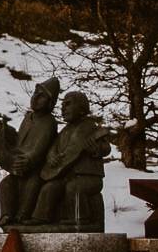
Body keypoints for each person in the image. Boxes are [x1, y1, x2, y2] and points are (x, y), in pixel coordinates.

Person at [28, 91, 112, 231]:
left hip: (89, 178)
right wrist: (52, 157)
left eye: (68, 104)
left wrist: (96, 149)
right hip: (65, 176)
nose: (63, 108)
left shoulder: (90, 127)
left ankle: (80, 219)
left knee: (74, 188)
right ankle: (41, 218)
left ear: (81, 108)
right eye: (62, 105)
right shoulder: (65, 131)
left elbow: (106, 148)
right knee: (49, 188)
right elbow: (52, 148)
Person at [0, 77, 59, 226]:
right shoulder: (28, 118)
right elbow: (20, 140)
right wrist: (6, 132)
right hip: (20, 164)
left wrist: (29, 159)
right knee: (6, 184)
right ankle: (7, 215)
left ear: (50, 102)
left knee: (32, 184)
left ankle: (23, 215)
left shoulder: (49, 122)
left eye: (41, 95)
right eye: (35, 93)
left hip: (36, 168)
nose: (35, 98)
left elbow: (40, 147)